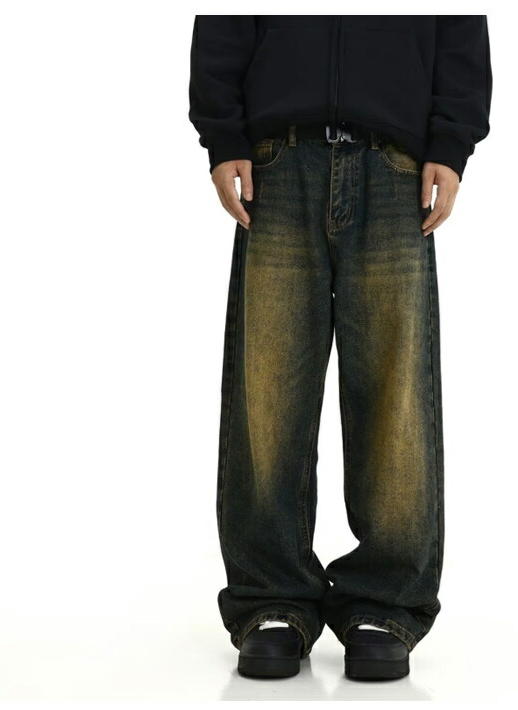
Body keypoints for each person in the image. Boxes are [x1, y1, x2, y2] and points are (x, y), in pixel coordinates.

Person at [189, 15, 492, 680]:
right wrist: (223, 133)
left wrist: (451, 141)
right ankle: (271, 599)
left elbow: (459, 24)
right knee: (267, 392)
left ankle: (385, 602)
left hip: (397, 166)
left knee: (395, 392)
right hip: (274, 163)